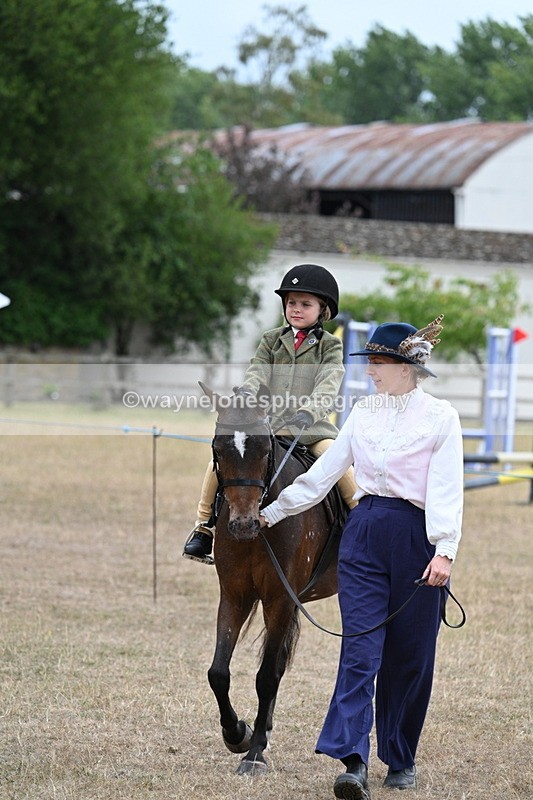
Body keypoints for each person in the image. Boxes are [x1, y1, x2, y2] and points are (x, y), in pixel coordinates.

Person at [259, 316, 464, 798]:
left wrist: (446, 550)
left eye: (378, 362)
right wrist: (271, 513)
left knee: (409, 658)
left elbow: (447, 490)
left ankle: (399, 756)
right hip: (364, 533)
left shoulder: (441, 418)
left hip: (417, 539)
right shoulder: (364, 411)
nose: (370, 371)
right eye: (370, 362)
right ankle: (352, 760)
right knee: (360, 652)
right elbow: (323, 475)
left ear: (406, 367)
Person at [182, 263, 358, 565]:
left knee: (341, 469)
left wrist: (309, 412)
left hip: (312, 430)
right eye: (292, 303)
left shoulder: (329, 346)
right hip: (269, 427)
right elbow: (257, 372)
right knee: (218, 463)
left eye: (306, 304)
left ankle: (360, 527)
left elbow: (328, 384)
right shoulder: (271, 340)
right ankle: (204, 528)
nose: (297, 309)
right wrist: (248, 393)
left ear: (323, 310)